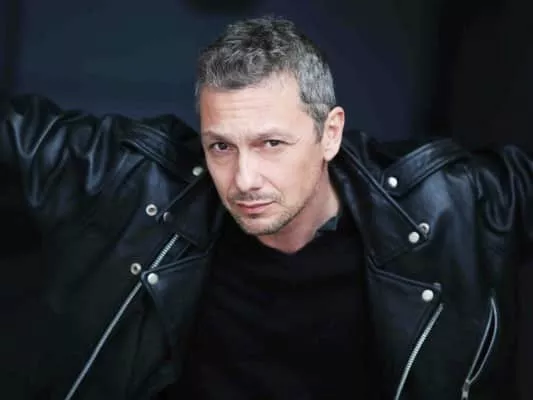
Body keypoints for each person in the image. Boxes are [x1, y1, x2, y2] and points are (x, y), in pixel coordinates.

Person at [0, 15, 531, 400]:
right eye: (221, 146)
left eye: (271, 144)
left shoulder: (456, 203)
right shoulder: (140, 184)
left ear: (330, 133)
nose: (244, 180)